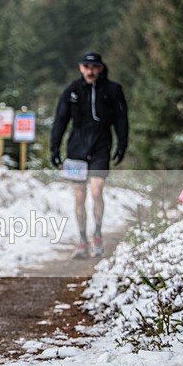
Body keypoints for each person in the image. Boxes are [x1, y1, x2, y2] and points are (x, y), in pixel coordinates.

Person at [50, 52, 128, 259]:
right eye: (86, 66)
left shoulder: (113, 90)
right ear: (81, 68)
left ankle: (98, 233)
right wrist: (54, 147)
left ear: (101, 68)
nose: (90, 71)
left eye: (95, 67)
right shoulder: (72, 91)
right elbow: (60, 119)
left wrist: (122, 145)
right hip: (76, 149)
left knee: (96, 191)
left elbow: (121, 119)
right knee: (79, 195)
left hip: (101, 148)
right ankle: (82, 239)